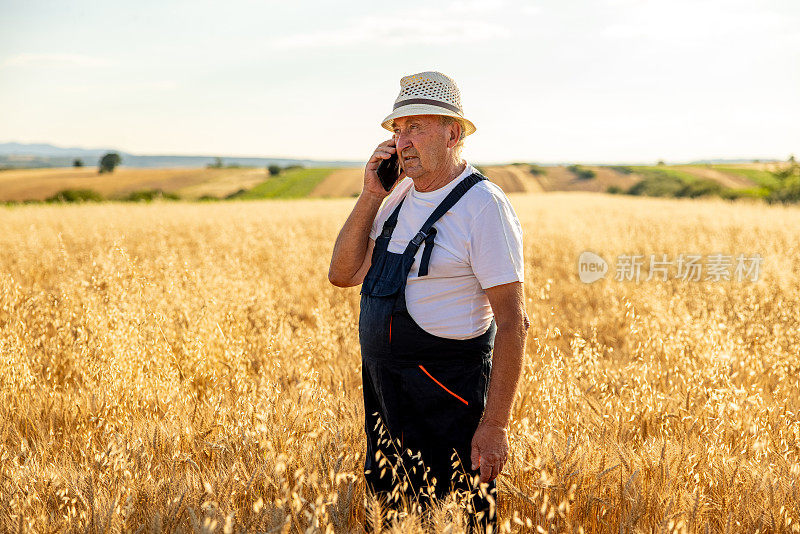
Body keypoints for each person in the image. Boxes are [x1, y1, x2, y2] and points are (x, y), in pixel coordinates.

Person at [328, 71, 529, 532]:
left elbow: (513, 323)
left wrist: (495, 425)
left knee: (456, 520)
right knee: (392, 520)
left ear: (452, 132)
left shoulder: (484, 206)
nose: (402, 142)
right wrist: (369, 195)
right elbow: (343, 274)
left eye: (415, 127)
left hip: (447, 399)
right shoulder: (395, 195)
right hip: (383, 395)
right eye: (398, 130)